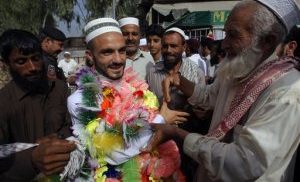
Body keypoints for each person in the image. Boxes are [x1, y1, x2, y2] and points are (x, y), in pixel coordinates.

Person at [142, 0, 300, 181]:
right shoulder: (240, 67)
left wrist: (178, 134)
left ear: (268, 40)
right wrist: (180, 81)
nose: (224, 45)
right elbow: (209, 97)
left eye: (233, 35)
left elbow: (244, 163)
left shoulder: (287, 92)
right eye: (225, 34)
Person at [67, 18, 188, 181]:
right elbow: (118, 152)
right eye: (107, 52)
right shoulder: (81, 99)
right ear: (90, 55)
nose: (118, 59)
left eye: (122, 50)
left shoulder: (136, 87)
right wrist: (162, 119)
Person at [0, 29, 76, 181]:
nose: (33, 67)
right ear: (6, 64)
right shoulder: (4, 101)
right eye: (21, 61)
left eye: (36, 59)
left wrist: (60, 139)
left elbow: (74, 128)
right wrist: (32, 159)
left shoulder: (59, 89)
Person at [147, 27, 206, 181]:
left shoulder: (196, 72)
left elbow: (203, 107)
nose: (168, 50)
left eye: (173, 46)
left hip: (187, 138)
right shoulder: (152, 72)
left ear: (183, 47)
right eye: (165, 46)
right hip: (161, 139)